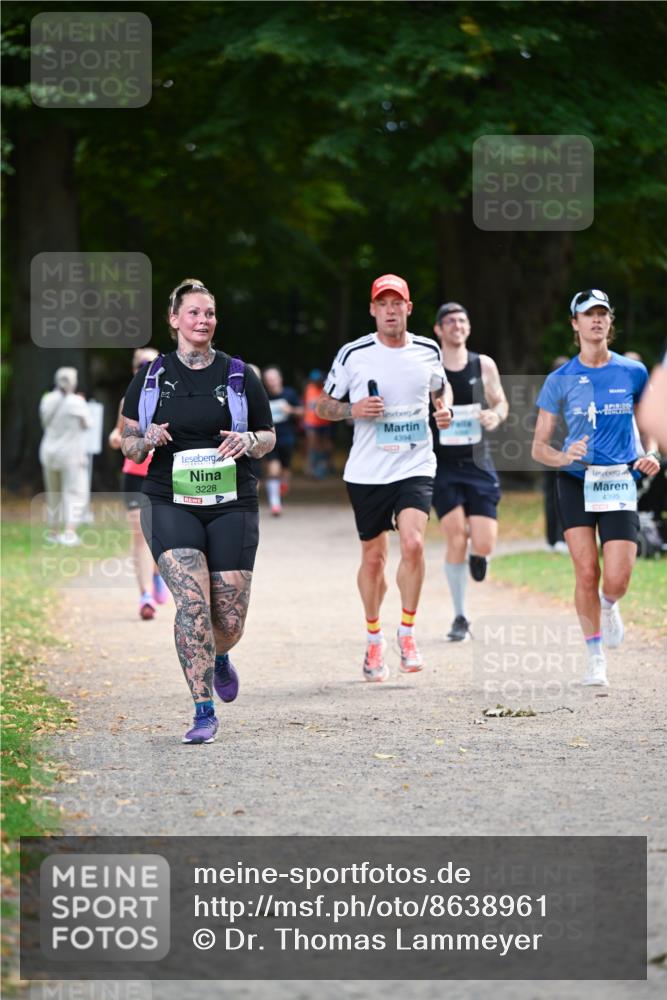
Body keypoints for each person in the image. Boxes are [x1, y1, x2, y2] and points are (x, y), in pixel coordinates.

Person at [120, 278, 275, 743]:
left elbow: (267, 437)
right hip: (169, 498)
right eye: (193, 312)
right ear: (174, 320)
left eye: (209, 313)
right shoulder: (151, 378)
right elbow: (127, 441)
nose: (202, 320)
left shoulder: (238, 374)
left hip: (232, 502)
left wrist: (247, 440)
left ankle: (220, 654)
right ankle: (203, 709)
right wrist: (146, 438)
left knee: (227, 620)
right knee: (191, 603)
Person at [317, 273, 452, 682]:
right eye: (383, 303)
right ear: (373, 309)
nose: (391, 310)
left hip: (415, 464)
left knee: (413, 543)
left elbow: (440, 391)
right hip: (368, 470)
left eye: (398, 303)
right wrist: (352, 410)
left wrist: (443, 411)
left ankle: (407, 633)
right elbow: (323, 406)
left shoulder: (429, 349)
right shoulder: (354, 354)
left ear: (409, 309)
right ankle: (374, 637)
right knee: (374, 560)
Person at [532, 289, 660, 687]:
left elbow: (650, 425)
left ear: (610, 321)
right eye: (588, 315)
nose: (597, 320)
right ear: (575, 324)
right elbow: (539, 448)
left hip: (620, 480)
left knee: (618, 577)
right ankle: (594, 657)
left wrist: (651, 454)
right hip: (576, 481)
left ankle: (609, 605)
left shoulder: (633, 373)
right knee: (586, 570)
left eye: (603, 313)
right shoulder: (560, 380)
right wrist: (565, 455)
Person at [431, 303, 509, 642]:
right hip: (442, 464)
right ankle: (461, 616)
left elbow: (501, 402)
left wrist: (496, 416)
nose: (456, 326)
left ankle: (481, 557)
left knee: (483, 541)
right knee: (455, 536)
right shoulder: (431, 369)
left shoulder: (484, 364)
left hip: (478, 463)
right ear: (438, 330)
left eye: (462, 320)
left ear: (469, 327)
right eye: (449, 321)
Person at [109, 348, 170, 620]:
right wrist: (115, 437)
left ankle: (157, 573)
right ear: (135, 369)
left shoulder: (171, 396)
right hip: (134, 474)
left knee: (158, 536)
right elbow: (118, 432)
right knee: (139, 535)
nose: (148, 368)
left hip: (163, 475)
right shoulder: (128, 400)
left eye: (154, 364)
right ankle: (145, 595)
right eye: (143, 364)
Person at [39, 367, 92, 546]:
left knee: (53, 493)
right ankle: (69, 532)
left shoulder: (47, 399)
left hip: (48, 451)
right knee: (74, 492)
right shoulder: (77, 402)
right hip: (71, 454)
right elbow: (88, 424)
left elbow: (44, 422)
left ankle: (53, 532)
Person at [261, 366, 303, 516]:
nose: (271, 382)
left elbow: (302, 412)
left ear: (280, 379)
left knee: (285, 470)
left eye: (274, 378)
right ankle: (275, 504)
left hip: (287, 437)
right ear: (265, 382)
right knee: (273, 469)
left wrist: (290, 410)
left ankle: (282, 486)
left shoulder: (289, 394)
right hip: (269, 438)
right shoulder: (263, 395)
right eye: (268, 380)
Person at [543, 356, 570, 554]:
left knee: (551, 496)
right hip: (563, 453)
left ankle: (552, 539)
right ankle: (560, 538)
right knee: (563, 496)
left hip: (547, 453)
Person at [303, 369, 333, 479]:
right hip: (311, 422)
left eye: (318, 380)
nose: (316, 382)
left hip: (324, 421)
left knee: (325, 444)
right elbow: (306, 404)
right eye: (315, 380)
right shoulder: (309, 388)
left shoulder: (327, 390)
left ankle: (325, 465)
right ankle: (311, 468)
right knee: (312, 445)